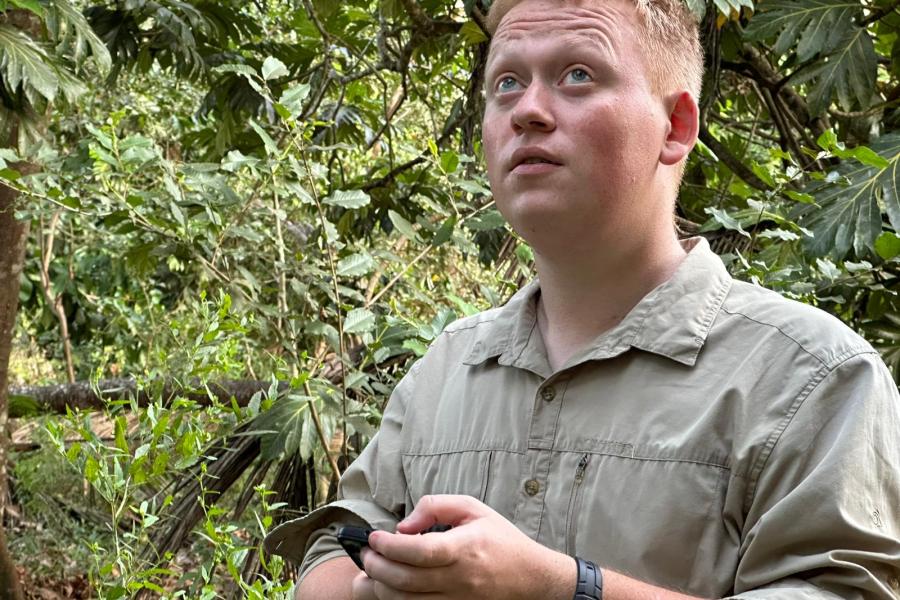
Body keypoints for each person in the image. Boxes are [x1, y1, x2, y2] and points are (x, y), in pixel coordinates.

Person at [264, 0, 900, 597]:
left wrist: (561, 586)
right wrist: (381, 582)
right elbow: (329, 553)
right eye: (506, 83)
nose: (528, 110)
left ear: (675, 128)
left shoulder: (813, 378)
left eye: (577, 75)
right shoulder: (447, 368)